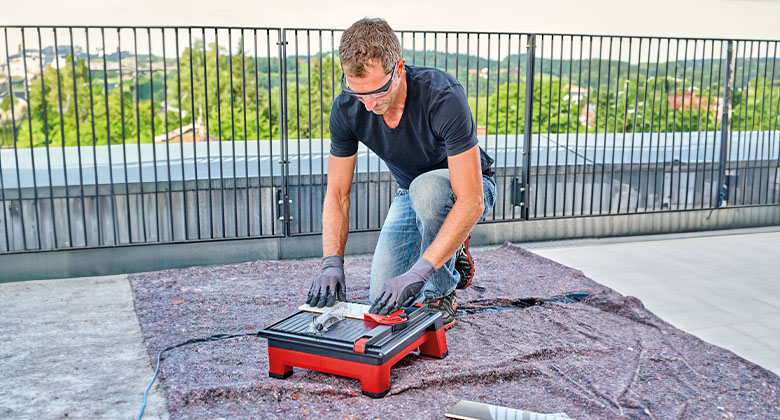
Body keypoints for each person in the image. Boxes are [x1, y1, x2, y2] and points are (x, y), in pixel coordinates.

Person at [305, 18, 495, 329]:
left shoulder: (442, 96)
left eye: (377, 91)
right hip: (410, 194)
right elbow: (337, 195)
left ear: (400, 68)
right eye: (358, 93)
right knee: (380, 298)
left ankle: (442, 291)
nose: (367, 105)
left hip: (471, 189)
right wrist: (331, 263)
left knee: (429, 190)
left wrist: (419, 274)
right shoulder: (346, 109)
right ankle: (449, 245)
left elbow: (472, 200)